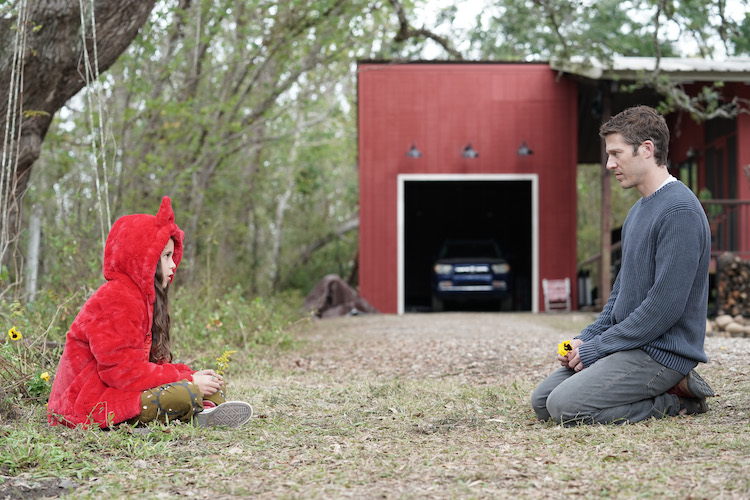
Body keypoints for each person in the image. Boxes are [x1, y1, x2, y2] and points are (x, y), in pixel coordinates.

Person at [531, 105, 715, 426]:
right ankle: (660, 390)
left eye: (616, 153)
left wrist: (597, 350)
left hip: (661, 353)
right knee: (543, 402)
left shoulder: (680, 212)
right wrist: (587, 338)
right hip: (632, 345)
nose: (609, 164)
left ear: (647, 149)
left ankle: (676, 399)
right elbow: (620, 295)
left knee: (566, 407)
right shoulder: (637, 212)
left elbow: (662, 310)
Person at [47, 196, 252, 429]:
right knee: (184, 393)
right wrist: (189, 380)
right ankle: (195, 409)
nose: (173, 264)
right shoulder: (116, 298)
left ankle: (203, 409)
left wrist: (189, 373)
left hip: (116, 390)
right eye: (166, 256)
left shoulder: (144, 299)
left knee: (212, 383)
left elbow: (151, 363)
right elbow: (123, 373)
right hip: (85, 403)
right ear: (144, 259)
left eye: (172, 256)